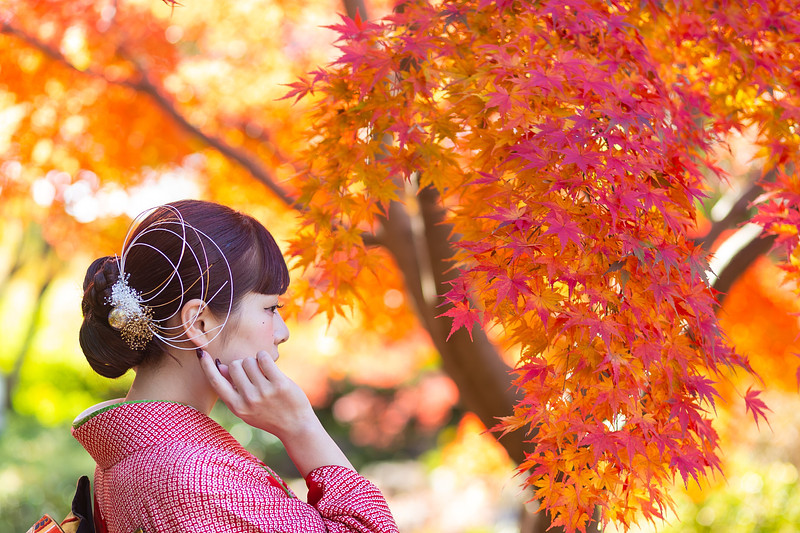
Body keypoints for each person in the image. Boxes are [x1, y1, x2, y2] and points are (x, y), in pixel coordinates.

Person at [73, 199, 399, 533]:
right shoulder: (194, 478)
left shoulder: (137, 457)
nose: (282, 332)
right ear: (199, 324)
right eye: (271, 308)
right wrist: (301, 428)